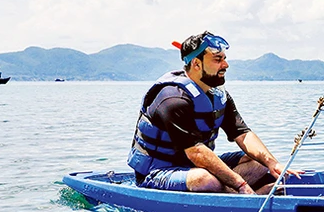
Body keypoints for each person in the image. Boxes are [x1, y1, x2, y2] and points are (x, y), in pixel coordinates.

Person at [128, 31, 298, 194]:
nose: (226, 65)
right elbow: (196, 152)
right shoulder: (172, 99)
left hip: (195, 168)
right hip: (158, 173)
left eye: (224, 59)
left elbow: (242, 133)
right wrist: (241, 184)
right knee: (205, 179)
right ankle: (252, 195)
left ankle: (237, 193)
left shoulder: (217, 95)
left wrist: (273, 164)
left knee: (258, 162)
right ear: (196, 64)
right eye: (218, 60)